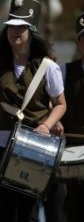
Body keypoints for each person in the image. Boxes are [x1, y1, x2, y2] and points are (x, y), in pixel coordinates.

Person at [0, 0, 67, 221]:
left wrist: (47, 125)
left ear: (31, 30)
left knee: (28, 212)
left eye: (21, 26)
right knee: (2, 210)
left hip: (34, 145)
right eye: (11, 25)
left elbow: (60, 104)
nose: (14, 31)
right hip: (0, 142)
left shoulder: (48, 67)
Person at [60, 12, 84, 222]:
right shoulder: (65, 72)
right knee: (75, 209)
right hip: (74, 156)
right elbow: (55, 105)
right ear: (79, 43)